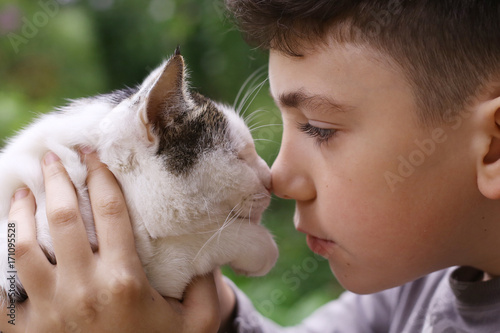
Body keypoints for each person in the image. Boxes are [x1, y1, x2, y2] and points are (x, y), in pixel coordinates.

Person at [3, 0, 500, 331]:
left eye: (321, 129)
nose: (278, 176)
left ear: (493, 148)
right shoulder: (413, 288)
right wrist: (206, 311)